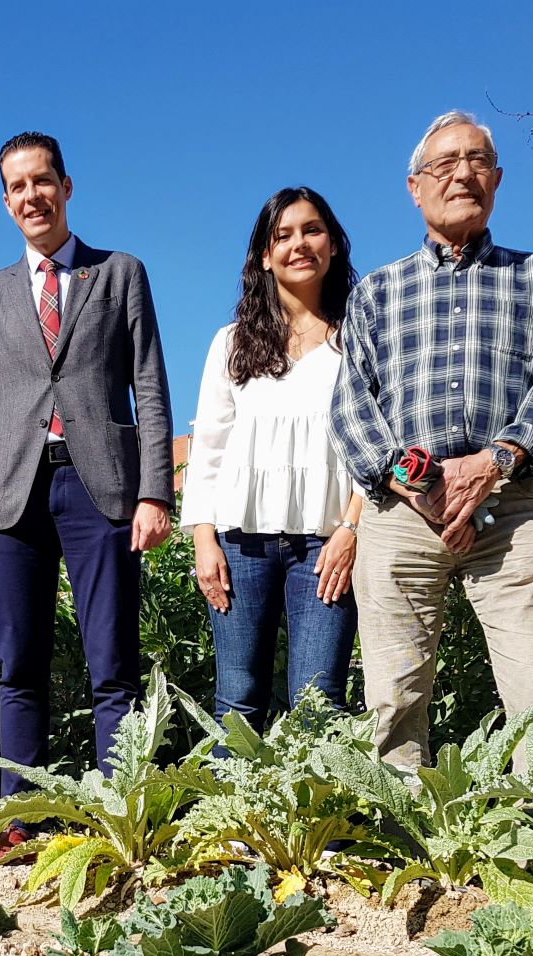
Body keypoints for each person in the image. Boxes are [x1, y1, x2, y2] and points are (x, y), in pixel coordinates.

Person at [330, 109, 533, 767]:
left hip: (509, 508)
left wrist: (492, 465)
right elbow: (353, 407)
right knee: (393, 694)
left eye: (476, 161)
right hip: (402, 513)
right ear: (414, 186)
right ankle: (401, 849)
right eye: (445, 163)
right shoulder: (377, 292)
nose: (462, 173)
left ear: (497, 179)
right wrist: (421, 486)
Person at [0, 131, 175, 812]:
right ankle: (20, 815)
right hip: (11, 495)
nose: (32, 195)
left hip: (100, 488)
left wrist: (153, 491)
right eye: (17, 186)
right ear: (5, 201)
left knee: (112, 663)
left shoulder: (119, 273)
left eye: (42, 180)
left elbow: (151, 388)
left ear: (66, 187)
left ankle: (120, 811)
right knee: (18, 668)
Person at [180, 187, 363, 731]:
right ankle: (233, 819)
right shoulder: (231, 343)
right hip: (240, 545)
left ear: (332, 244)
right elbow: (208, 443)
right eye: (281, 235)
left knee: (318, 705)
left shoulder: (360, 339)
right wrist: (203, 539)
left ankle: (314, 820)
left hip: (327, 546)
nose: (298, 244)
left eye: (311, 230)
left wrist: (352, 528)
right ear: (264, 254)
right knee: (236, 701)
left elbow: (375, 444)